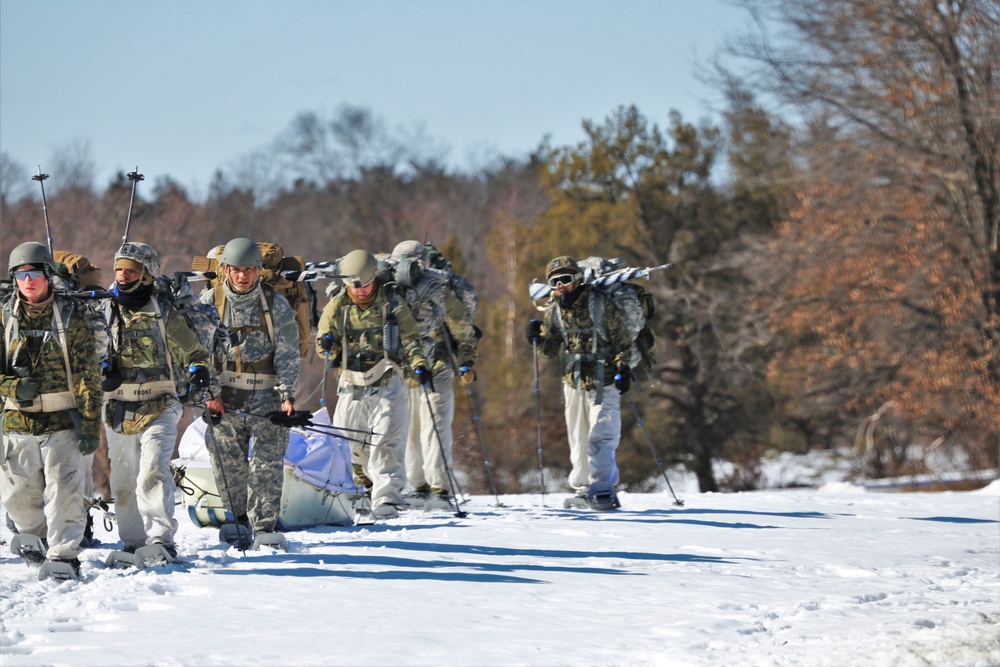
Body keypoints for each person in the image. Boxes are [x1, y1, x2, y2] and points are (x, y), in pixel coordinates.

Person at [102, 242, 214, 558]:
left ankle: (160, 540)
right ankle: (133, 542)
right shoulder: (105, 310)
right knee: (123, 480)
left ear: (147, 275)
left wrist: (199, 369)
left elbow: (195, 350)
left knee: (152, 469)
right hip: (117, 407)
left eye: (131, 270)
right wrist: (102, 368)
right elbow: (84, 352)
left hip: (160, 404)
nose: (123, 276)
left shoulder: (165, 313)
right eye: (119, 269)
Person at [0, 242, 102, 575]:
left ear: (48, 275)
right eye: (21, 275)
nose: (28, 281)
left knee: (65, 492)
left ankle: (64, 554)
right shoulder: (4, 317)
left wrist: (90, 425)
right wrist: (12, 387)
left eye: (34, 274)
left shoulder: (73, 317)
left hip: (63, 421)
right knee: (20, 499)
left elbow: (89, 374)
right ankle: (35, 539)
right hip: (18, 421)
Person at [315, 249, 429, 519]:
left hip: (386, 376)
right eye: (355, 286)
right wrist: (326, 346)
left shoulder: (392, 302)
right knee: (351, 442)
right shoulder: (338, 305)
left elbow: (412, 338)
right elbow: (323, 345)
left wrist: (419, 363)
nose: (361, 291)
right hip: (351, 381)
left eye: (365, 285)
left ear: (374, 278)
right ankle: (365, 484)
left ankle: (387, 496)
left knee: (386, 439)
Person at [201, 238, 300, 544]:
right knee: (227, 465)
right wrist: (210, 394)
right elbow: (199, 354)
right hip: (225, 398)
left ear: (258, 271)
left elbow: (287, 353)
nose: (242, 276)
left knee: (267, 467)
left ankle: (264, 528)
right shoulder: (209, 303)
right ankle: (238, 519)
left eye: (248, 270)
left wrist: (287, 396)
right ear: (226, 270)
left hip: (267, 397)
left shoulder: (274, 305)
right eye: (236, 270)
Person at [525, 256, 633, 510]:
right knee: (578, 436)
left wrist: (624, 368)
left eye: (565, 279)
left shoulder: (600, 303)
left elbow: (622, 339)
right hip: (573, 381)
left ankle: (603, 486)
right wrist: (536, 337)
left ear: (578, 279)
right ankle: (584, 487)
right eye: (554, 281)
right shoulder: (554, 309)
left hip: (604, 378)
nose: (560, 285)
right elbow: (551, 349)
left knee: (602, 433)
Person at [390, 241, 479, 509]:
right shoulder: (393, 290)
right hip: (404, 370)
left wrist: (466, 361)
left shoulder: (439, 289)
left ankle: (439, 489)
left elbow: (462, 327)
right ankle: (419, 486)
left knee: (435, 428)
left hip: (436, 367)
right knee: (410, 429)